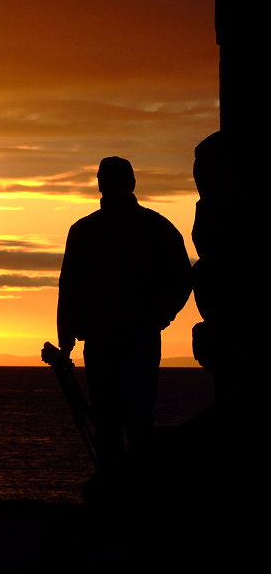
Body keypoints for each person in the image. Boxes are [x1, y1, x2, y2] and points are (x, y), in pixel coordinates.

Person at [56, 157, 191, 468]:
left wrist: (67, 334)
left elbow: (69, 285)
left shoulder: (87, 230)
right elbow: (70, 284)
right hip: (126, 337)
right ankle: (128, 494)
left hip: (119, 337)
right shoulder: (154, 226)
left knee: (115, 421)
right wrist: (160, 315)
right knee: (130, 418)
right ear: (132, 184)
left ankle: (117, 495)